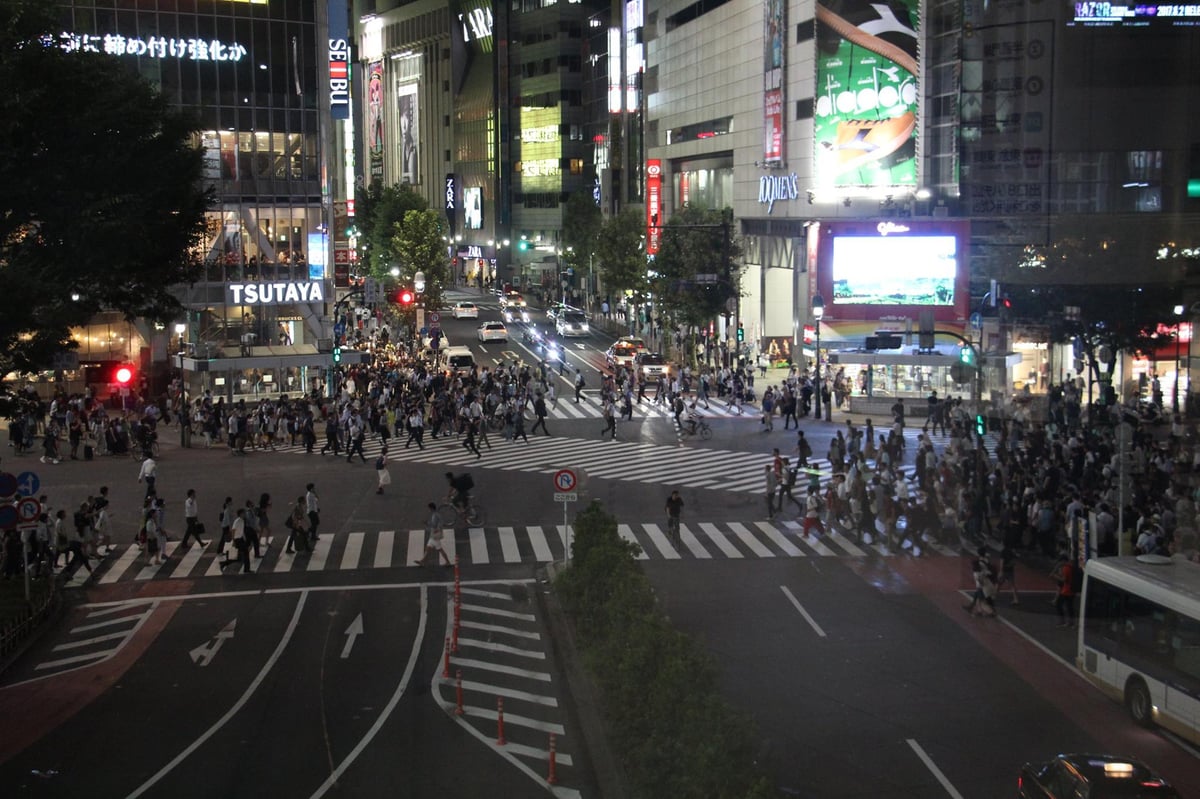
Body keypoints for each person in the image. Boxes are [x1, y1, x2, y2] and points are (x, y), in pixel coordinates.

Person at [417, 502, 453, 567]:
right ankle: (422, 561)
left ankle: (448, 562)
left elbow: (438, 523)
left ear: (431, 508)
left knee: (440, 549)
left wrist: (427, 523)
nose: (429, 509)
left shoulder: (436, 515)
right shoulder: (435, 514)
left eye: (429, 508)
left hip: (435, 535)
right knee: (428, 548)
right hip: (433, 535)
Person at [1052, 552, 1076, 627]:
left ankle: (1063, 621)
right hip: (1072, 589)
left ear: (1063, 561)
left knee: (1059, 604)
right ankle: (1071, 622)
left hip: (1066, 590)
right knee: (1069, 606)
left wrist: (1055, 576)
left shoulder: (1066, 568)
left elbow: (1064, 580)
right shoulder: (1072, 566)